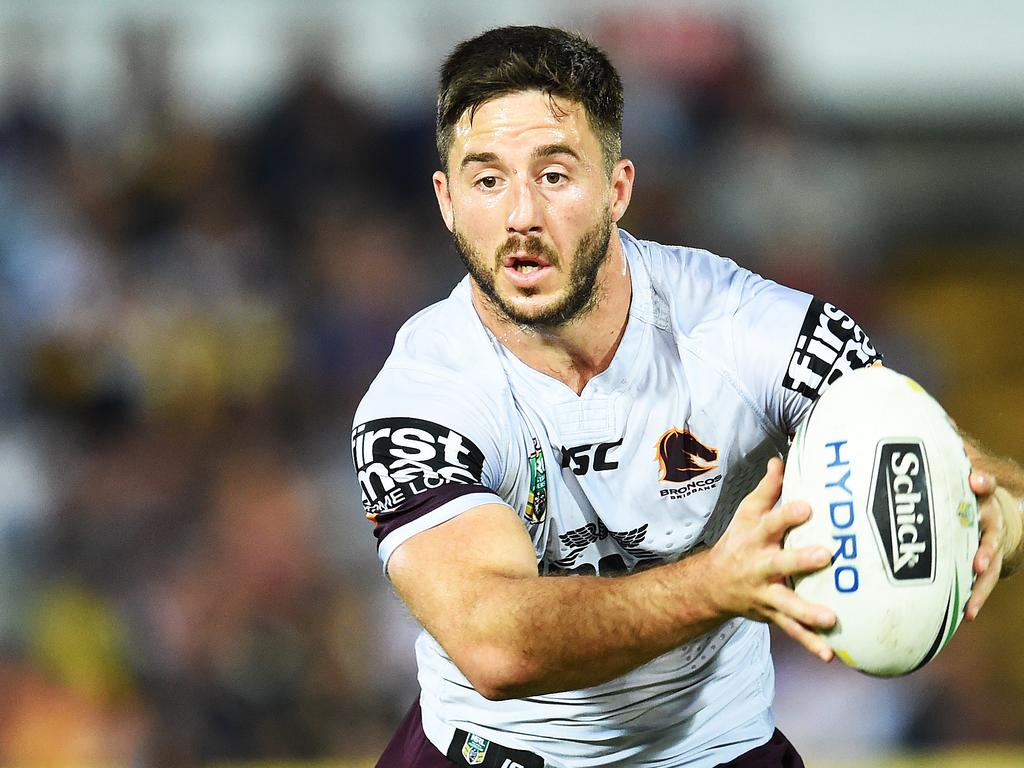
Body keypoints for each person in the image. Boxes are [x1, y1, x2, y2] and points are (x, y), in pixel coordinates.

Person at [351, 25, 1024, 768]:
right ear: (446, 201)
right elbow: (495, 644)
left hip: (717, 753)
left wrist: (989, 510)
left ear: (617, 190)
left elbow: (937, 465)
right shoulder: (417, 403)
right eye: (487, 180)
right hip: (489, 753)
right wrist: (719, 585)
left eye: (554, 175)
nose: (521, 217)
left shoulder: (754, 333)